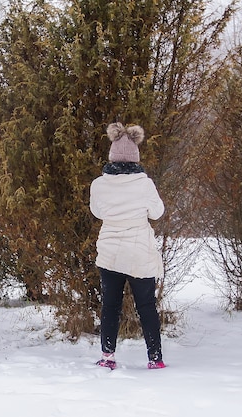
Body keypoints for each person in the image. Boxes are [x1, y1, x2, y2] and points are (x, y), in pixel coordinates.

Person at [89, 122, 166, 370]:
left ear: (112, 157)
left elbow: (97, 211)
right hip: (139, 252)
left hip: (111, 252)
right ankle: (155, 358)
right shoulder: (144, 184)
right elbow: (157, 212)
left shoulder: (99, 184)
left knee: (110, 305)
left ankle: (107, 357)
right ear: (135, 159)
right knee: (146, 306)